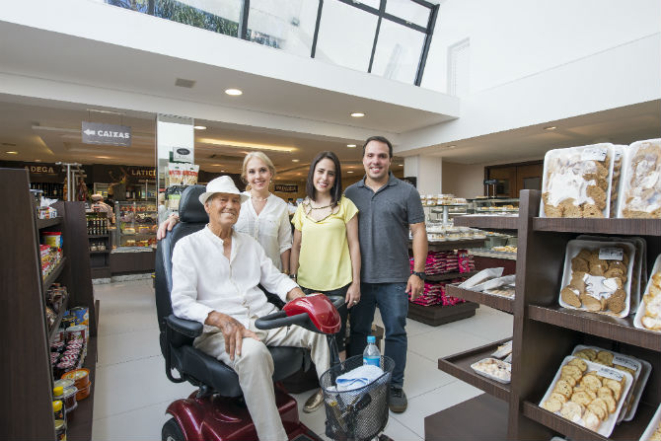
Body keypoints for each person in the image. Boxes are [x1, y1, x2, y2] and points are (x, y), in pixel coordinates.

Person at [170, 176, 330, 441]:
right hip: (218, 332)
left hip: (264, 319)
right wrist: (220, 318)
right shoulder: (188, 246)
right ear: (208, 206)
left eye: (235, 200)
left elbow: (275, 278)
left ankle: (335, 407)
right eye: (223, 200)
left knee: (317, 328)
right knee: (253, 353)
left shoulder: (249, 244)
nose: (230, 205)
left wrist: (300, 297)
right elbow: (181, 301)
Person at [345, 136, 428, 414]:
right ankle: (360, 383)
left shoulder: (406, 192)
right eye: (370, 155)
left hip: (395, 278)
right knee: (358, 332)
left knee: (395, 332)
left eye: (381, 156)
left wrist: (418, 272)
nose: (375, 161)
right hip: (360, 280)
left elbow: (419, 231)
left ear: (390, 160)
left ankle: (394, 384)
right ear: (363, 159)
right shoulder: (350, 193)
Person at [290, 151, 361, 412]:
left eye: (331, 172)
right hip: (307, 287)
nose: (325, 177)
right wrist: (292, 280)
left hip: (338, 285)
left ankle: (334, 394)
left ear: (336, 178)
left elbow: (354, 246)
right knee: (313, 342)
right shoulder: (302, 208)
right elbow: (296, 246)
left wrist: (356, 283)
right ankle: (322, 385)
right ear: (312, 174)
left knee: (337, 342)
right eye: (321, 171)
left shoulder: (346, 206)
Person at [157, 152, 292, 274]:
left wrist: (286, 273)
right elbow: (210, 218)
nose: (258, 176)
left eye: (262, 170)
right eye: (252, 171)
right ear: (246, 176)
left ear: (271, 173)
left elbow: (284, 244)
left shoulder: (280, 205)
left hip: (272, 275)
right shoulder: (234, 201)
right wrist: (175, 219)